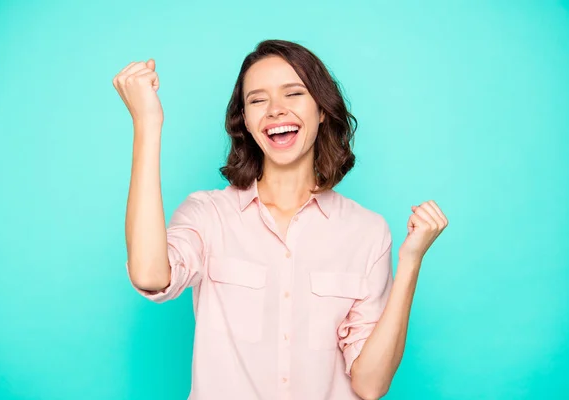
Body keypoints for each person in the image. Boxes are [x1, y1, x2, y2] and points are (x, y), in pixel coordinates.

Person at [113, 39, 448, 400]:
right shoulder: (208, 215)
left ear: (322, 110)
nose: (275, 110)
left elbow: (370, 385)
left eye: (293, 94)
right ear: (246, 121)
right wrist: (147, 122)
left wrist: (411, 261)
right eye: (257, 100)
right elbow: (149, 276)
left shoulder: (367, 231)